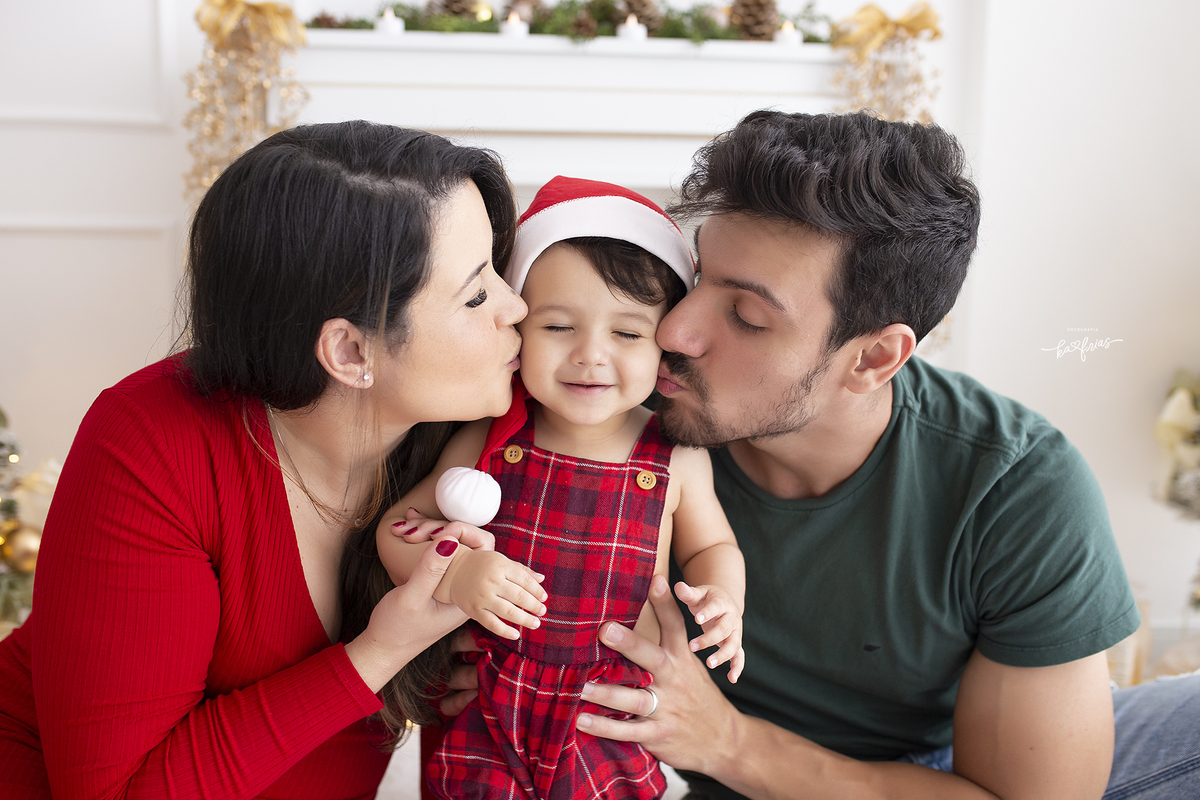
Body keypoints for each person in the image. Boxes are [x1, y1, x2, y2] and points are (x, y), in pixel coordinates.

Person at [571, 110, 1200, 800]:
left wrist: (728, 742)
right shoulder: (603, 413)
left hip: (937, 769)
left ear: (873, 358)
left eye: (747, 316)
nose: (676, 329)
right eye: (697, 278)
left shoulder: (1014, 486)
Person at [0, 120, 529, 799]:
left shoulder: (476, 426)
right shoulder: (151, 443)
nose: (517, 307)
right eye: (477, 294)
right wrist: (380, 652)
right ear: (351, 353)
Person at [374, 176, 746, 800]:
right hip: (491, 704)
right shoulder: (494, 437)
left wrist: (723, 600)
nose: (590, 356)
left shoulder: (673, 451)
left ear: (664, 343)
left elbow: (714, 548)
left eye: (626, 334)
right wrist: (456, 573)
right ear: (518, 326)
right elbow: (400, 527)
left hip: (609, 712)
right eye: (557, 327)